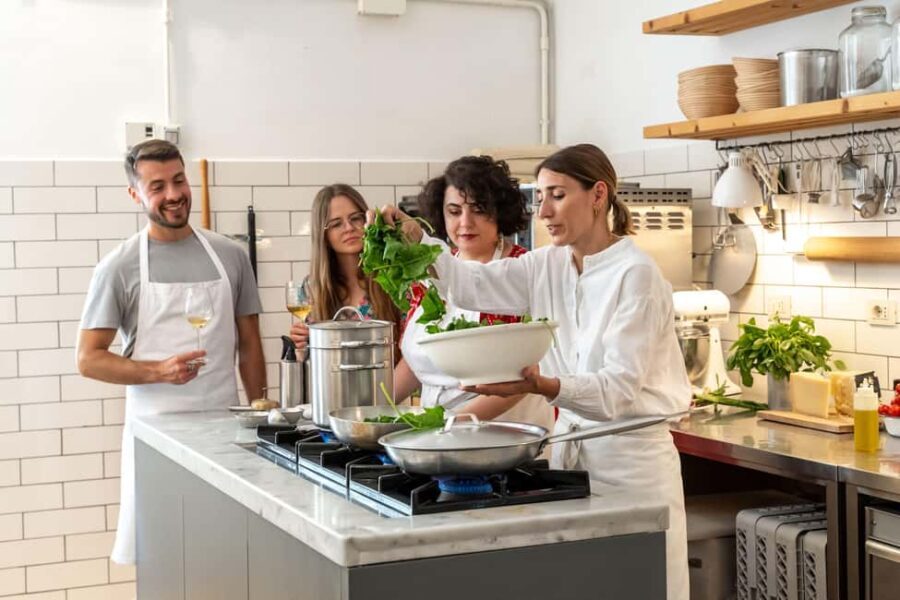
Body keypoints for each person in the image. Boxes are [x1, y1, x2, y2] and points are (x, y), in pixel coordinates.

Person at [372, 144, 691, 600]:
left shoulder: (635, 275)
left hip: (633, 467)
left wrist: (538, 386)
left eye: (557, 195)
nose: (543, 211)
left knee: (639, 585)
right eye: (540, 198)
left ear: (598, 195)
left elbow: (616, 393)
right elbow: (469, 284)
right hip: (572, 462)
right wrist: (413, 240)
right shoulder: (547, 264)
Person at [76, 139, 267, 565]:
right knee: (163, 558)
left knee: (226, 553)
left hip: (226, 432)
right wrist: (157, 371)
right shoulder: (118, 267)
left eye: (178, 180)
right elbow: (89, 358)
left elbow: (250, 343)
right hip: (155, 437)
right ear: (135, 194)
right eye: (157, 186)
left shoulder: (231, 256)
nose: (174, 194)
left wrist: (260, 414)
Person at [393, 156, 554, 430]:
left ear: (499, 213)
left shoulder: (522, 270)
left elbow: (526, 376)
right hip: (436, 430)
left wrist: (454, 424)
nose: (465, 223)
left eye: (479, 210)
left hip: (505, 432)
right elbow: (414, 361)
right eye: (454, 212)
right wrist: (369, 411)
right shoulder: (428, 272)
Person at [289, 184, 402, 354]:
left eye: (356, 218)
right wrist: (300, 346)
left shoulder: (395, 277)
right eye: (336, 224)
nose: (349, 228)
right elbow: (310, 359)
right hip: (334, 380)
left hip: (391, 378)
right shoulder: (311, 288)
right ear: (323, 236)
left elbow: (413, 352)